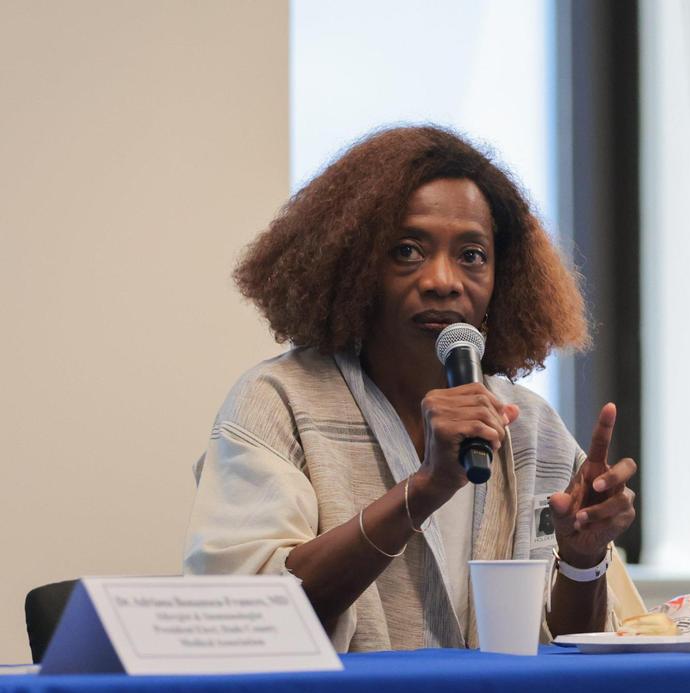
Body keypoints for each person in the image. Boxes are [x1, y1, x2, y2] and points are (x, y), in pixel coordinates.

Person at [184, 125, 645, 651]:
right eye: (407, 250)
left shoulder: (532, 427)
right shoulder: (279, 402)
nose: (443, 279)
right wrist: (423, 489)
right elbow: (243, 616)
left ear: (503, 279)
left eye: (472, 255)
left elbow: (573, 646)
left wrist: (584, 561)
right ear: (354, 267)